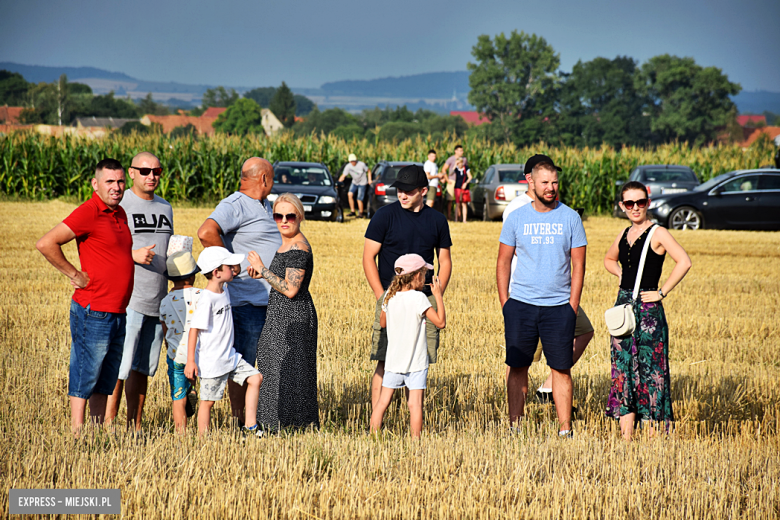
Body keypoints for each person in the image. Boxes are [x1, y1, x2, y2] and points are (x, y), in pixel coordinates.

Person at [36, 158, 134, 435]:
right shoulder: (89, 212)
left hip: (118, 309)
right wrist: (74, 274)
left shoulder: (121, 213)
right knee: (85, 371)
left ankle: (97, 430)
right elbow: (46, 243)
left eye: (120, 181)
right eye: (110, 182)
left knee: (106, 375)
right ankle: (77, 433)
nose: (116, 187)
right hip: (94, 308)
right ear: (95, 184)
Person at [496, 155, 586, 437]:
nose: (551, 187)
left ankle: (565, 429)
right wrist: (506, 303)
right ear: (530, 182)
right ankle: (514, 427)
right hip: (521, 305)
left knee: (561, 368)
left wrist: (572, 306)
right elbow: (502, 262)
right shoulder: (517, 218)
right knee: (518, 365)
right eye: (545, 182)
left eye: (555, 182)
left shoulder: (570, 217)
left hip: (558, 307)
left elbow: (579, 265)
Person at [603, 181, 692, 441]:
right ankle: (626, 440)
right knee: (622, 370)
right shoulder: (623, 233)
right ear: (622, 206)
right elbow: (609, 259)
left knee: (650, 372)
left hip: (649, 312)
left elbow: (684, 261)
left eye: (640, 202)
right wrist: (620, 274)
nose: (635, 208)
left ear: (647, 203)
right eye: (629, 203)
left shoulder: (658, 233)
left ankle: (653, 441)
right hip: (623, 308)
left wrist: (661, 292)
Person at [197, 157, 281, 426]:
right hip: (246, 301)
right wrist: (230, 268)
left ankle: (257, 416)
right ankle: (239, 419)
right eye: (273, 178)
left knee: (261, 365)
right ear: (264, 179)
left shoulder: (264, 204)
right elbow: (206, 231)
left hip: (268, 299)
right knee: (241, 363)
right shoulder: (235, 203)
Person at [363, 165, 452, 410]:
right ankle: (377, 419)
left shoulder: (437, 220)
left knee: (420, 361)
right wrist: (382, 296)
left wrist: (438, 290)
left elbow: (444, 260)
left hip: (424, 299)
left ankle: (411, 419)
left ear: (423, 191)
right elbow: (368, 257)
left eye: (408, 191)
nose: (402, 195)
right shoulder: (384, 215)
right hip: (391, 298)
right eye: (399, 190)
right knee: (384, 358)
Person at [105, 151, 173, 431]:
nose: (151, 177)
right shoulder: (121, 204)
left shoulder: (166, 207)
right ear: (131, 173)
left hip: (158, 298)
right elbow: (104, 245)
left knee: (143, 367)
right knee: (120, 366)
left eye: (157, 171)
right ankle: (107, 425)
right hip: (130, 297)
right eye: (145, 171)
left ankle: (135, 426)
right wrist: (131, 255)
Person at [246, 193, 319, 432]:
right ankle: (276, 423)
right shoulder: (286, 242)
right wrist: (262, 274)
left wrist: (263, 269)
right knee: (274, 366)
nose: (284, 220)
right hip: (280, 314)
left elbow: (290, 289)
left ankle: (288, 425)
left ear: (300, 217)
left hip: (293, 316)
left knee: (290, 370)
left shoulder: (298, 247)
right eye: (279, 215)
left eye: (290, 216)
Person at [184, 247, 264, 437]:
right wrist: (190, 361)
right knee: (208, 402)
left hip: (230, 357)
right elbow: (194, 330)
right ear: (216, 272)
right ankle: (203, 438)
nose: (234, 269)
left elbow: (233, 272)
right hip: (213, 362)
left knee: (256, 378)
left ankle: (250, 427)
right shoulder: (206, 299)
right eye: (230, 266)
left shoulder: (224, 289)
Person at [369, 255, 447, 439]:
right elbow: (441, 322)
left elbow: (383, 322)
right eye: (424, 274)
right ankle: (415, 443)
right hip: (416, 363)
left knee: (382, 403)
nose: (425, 278)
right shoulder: (419, 298)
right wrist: (438, 296)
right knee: (415, 405)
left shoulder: (390, 295)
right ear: (416, 276)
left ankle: (372, 438)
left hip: (394, 361)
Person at [159, 242, 202, 434]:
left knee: (177, 396)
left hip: (176, 355)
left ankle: (181, 433)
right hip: (198, 354)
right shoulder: (202, 296)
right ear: (193, 275)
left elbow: (165, 330)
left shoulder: (165, 302)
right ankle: (192, 389)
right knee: (192, 373)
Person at [338, 153, 372, 218]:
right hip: (354, 182)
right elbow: (343, 176)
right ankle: (353, 211)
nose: (353, 162)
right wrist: (338, 182)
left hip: (362, 183)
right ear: (349, 161)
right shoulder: (348, 166)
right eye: (352, 161)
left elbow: (369, 171)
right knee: (349, 194)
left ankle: (361, 214)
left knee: (359, 198)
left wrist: (369, 180)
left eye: (354, 161)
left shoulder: (361, 165)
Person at [441, 145, 468, 221]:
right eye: (460, 151)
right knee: (450, 200)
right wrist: (447, 180)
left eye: (462, 151)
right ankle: (449, 217)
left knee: (459, 200)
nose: (461, 152)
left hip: (460, 182)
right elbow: (444, 169)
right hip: (451, 181)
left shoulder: (464, 159)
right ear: (455, 151)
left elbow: (466, 170)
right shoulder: (451, 159)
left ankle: (459, 217)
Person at [453, 158, 473, 223]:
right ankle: (456, 219)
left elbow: (470, 177)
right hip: (457, 187)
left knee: (464, 203)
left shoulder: (466, 168)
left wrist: (466, 183)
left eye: (460, 162)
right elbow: (450, 173)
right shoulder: (456, 169)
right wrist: (454, 165)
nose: (460, 164)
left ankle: (464, 219)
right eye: (458, 163)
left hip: (465, 188)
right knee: (457, 203)